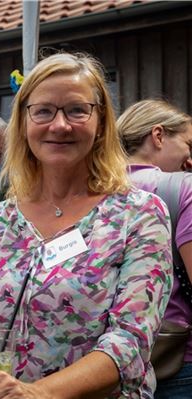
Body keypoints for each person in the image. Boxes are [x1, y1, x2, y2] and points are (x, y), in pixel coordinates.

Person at [0, 52, 172, 398]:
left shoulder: (138, 215)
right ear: (23, 123)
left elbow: (129, 343)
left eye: (77, 110)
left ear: (101, 123)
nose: (60, 125)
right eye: (44, 111)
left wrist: (37, 393)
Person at [117, 99, 192, 399]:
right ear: (158, 136)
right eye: (188, 144)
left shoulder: (91, 192)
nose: (190, 158)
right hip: (173, 356)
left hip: (105, 360)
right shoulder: (182, 187)